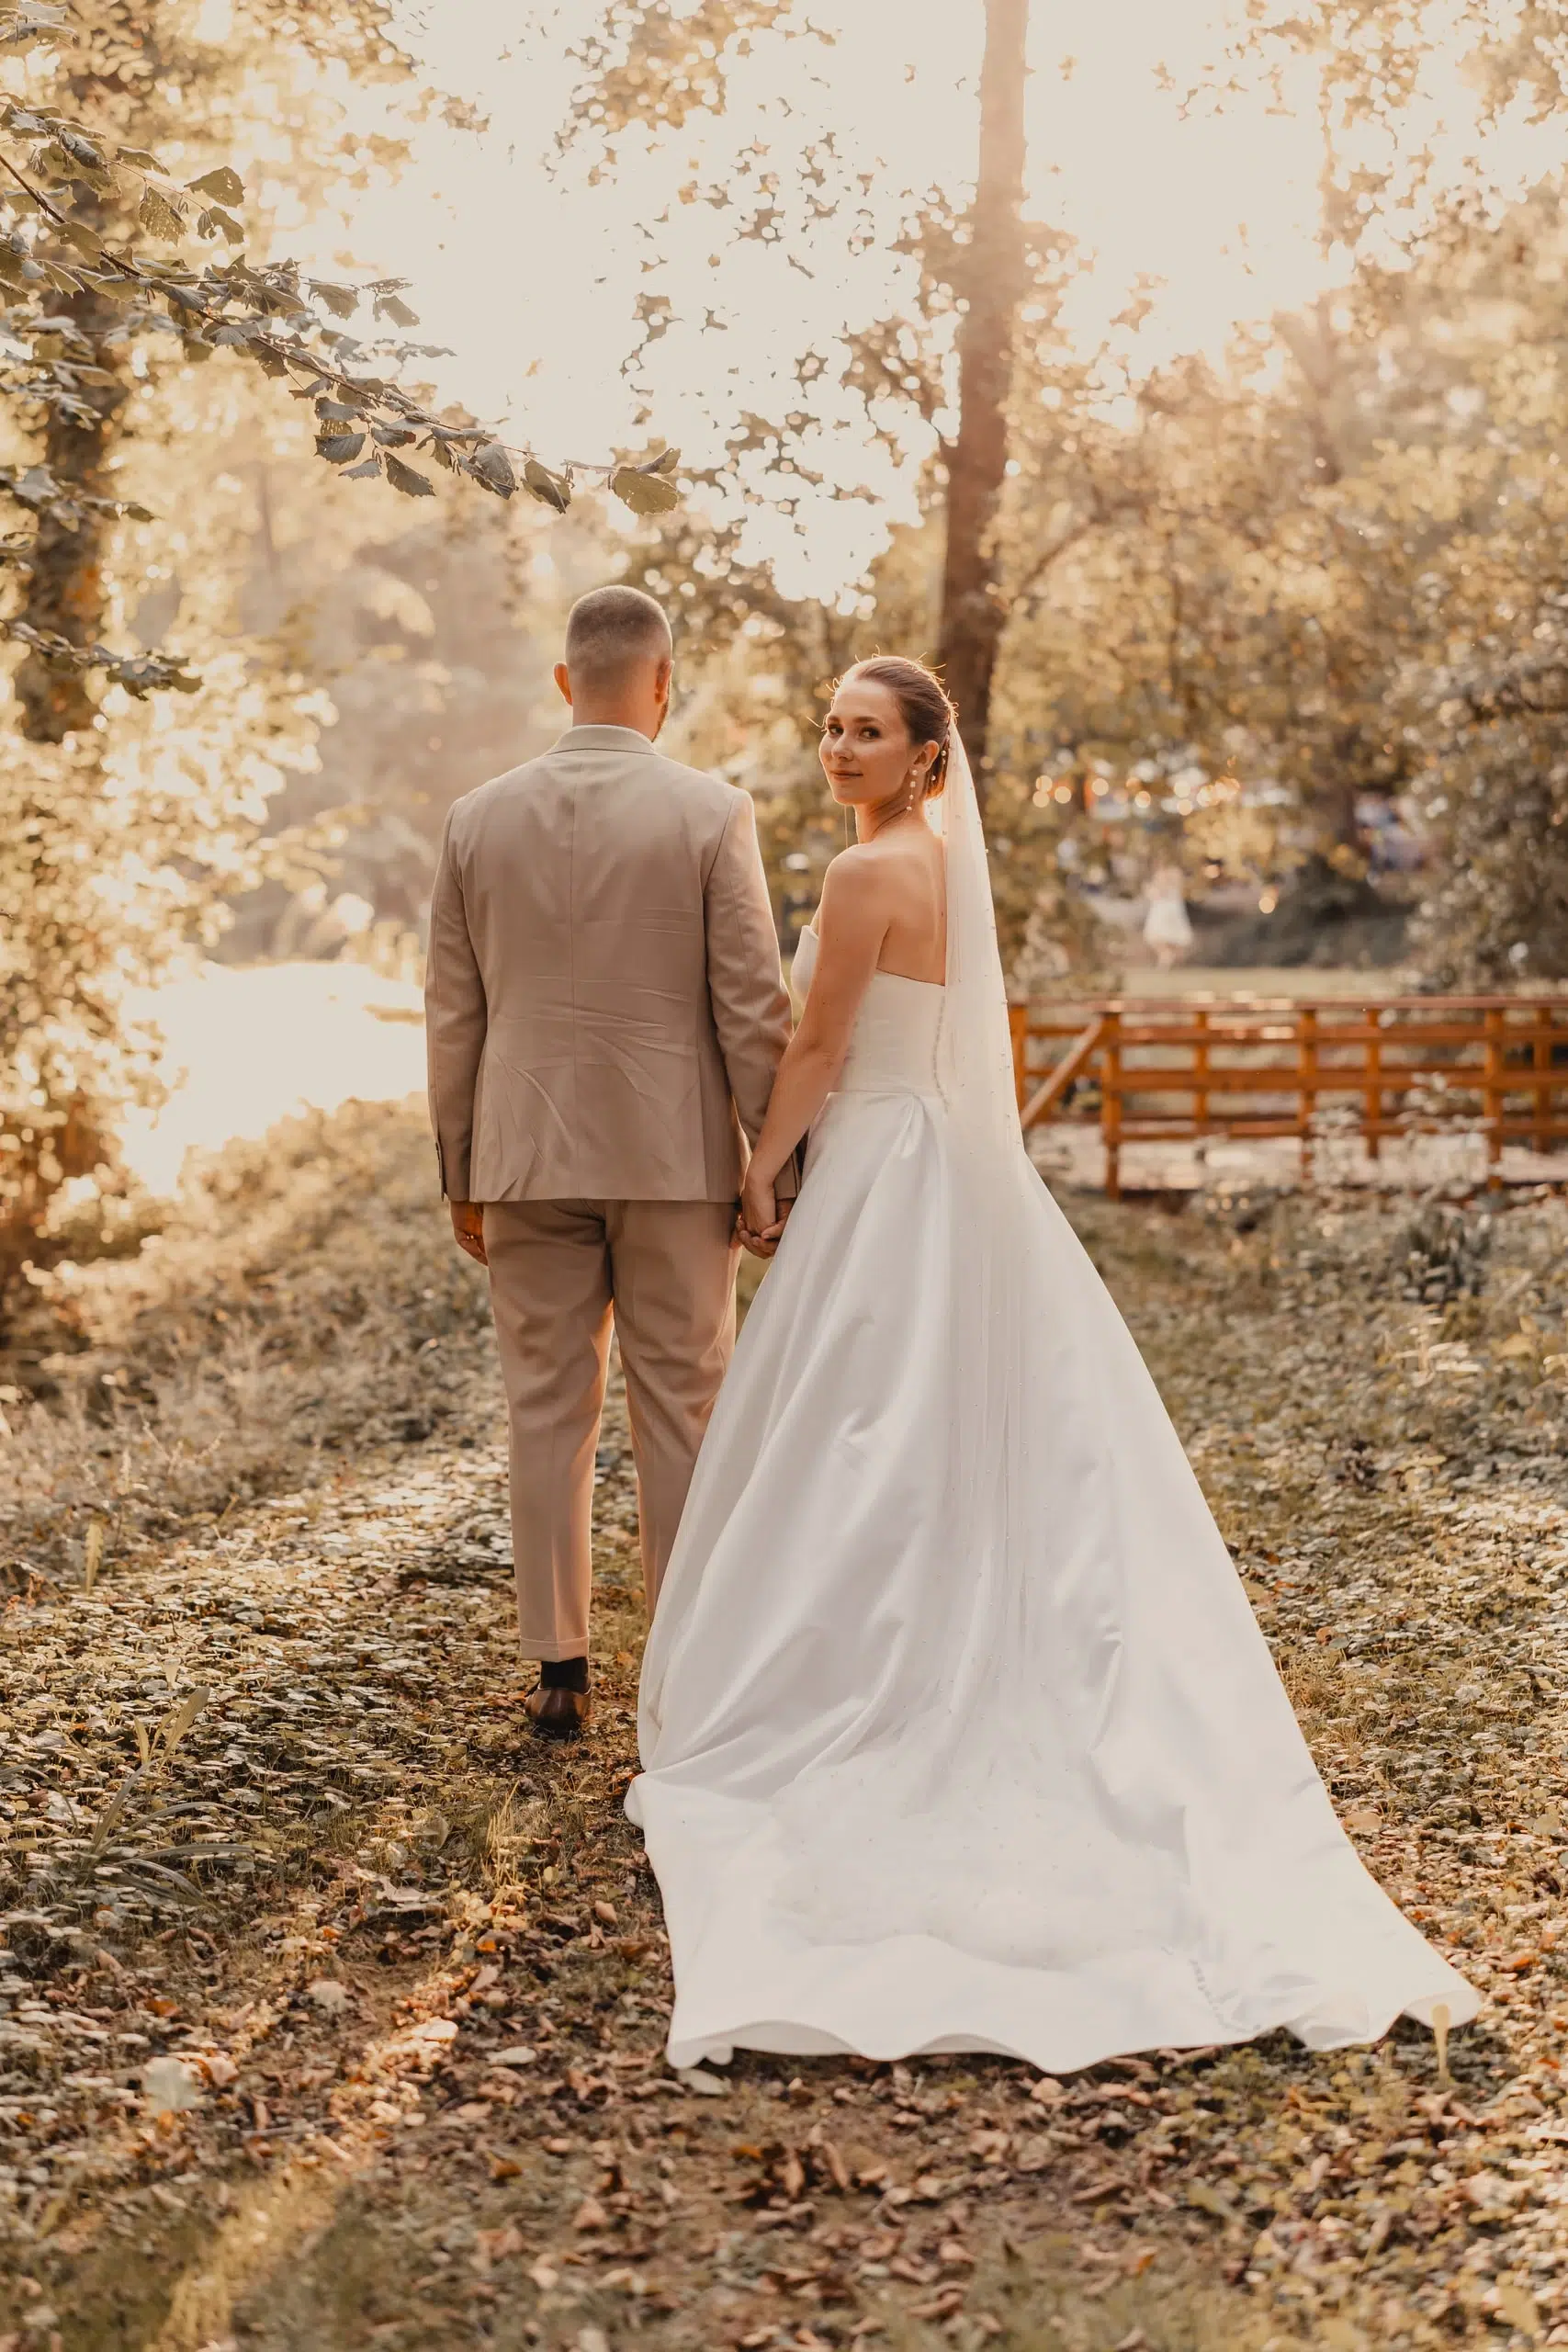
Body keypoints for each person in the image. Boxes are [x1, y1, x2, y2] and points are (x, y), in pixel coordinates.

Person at [626, 654, 1478, 2074]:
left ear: (919, 756)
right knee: (936, 1425)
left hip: (883, 1170)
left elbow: (824, 1041)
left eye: (865, 732)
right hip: (956, 1170)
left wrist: (753, 1174)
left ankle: (845, 1672)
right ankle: (940, 1625)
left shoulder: (858, 881)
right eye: (829, 728)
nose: (837, 747)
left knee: (856, 1429)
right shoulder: (946, 872)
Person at [424, 585, 795, 1740]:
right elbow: (751, 1004)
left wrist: (461, 1167)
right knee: (684, 1405)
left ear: (563, 682)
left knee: (546, 1406)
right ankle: (682, 1664)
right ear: (664, 682)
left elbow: (452, 1012)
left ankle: (561, 1667)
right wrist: (770, 1156)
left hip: (527, 1154)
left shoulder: (476, 820)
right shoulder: (709, 811)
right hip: (674, 1156)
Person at [1143, 854, 1193, 967]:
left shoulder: (1164, 873)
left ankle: (1167, 957)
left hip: (1164, 908)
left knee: (1158, 935)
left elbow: (1161, 891)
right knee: (1170, 936)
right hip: (1175, 907)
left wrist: (1150, 890)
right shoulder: (1177, 873)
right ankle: (1168, 958)